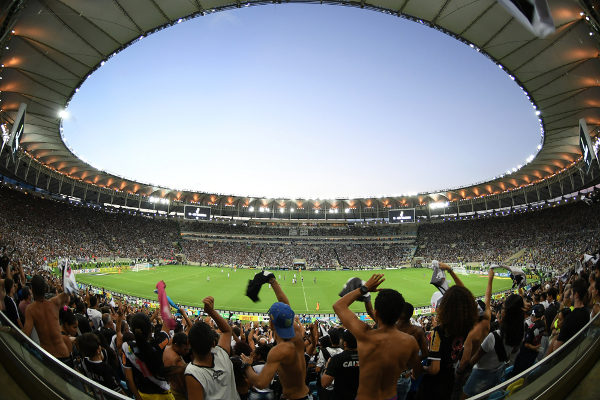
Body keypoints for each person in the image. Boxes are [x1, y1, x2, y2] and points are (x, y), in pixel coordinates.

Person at [333, 274, 421, 400]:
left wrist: (365, 288)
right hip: (391, 396)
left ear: (376, 313)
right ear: (398, 316)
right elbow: (417, 371)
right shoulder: (410, 342)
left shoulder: (365, 335)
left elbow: (339, 306)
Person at [241, 276, 310, 400]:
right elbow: (286, 307)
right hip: (304, 395)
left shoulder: (279, 351)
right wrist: (272, 281)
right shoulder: (297, 334)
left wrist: (246, 366)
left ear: (271, 324)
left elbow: (261, 383)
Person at [417, 284, 477, 400]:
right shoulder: (468, 327)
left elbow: (434, 369)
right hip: (450, 376)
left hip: (434, 385)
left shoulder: (438, 332)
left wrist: (420, 368)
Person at [462, 294, 524, 398]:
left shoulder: (493, 337)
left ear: (506, 313)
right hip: (497, 373)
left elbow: (473, 361)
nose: (501, 310)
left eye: (503, 308)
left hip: (479, 375)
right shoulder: (520, 331)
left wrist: (461, 373)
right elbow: (513, 351)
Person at [185, 296, 239, 400]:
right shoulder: (222, 354)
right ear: (214, 343)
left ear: (188, 343)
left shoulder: (192, 373)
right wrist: (210, 311)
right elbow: (227, 331)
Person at [121, 312, 173, 400]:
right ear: (150, 330)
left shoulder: (127, 347)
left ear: (132, 330)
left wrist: (138, 398)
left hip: (143, 395)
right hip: (164, 394)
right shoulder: (159, 344)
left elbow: (129, 379)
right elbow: (165, 331)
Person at [23, 275, 72, 363]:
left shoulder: (30, 310)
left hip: (49, 357)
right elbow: (68, 296)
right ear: (45, 289)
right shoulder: (54, 302)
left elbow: (25, 335)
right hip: (64, 354)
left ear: (32, 290)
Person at [395, 302, 428, 400]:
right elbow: (425, 353)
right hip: (405, 375)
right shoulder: (418, 330)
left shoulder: (390, 328)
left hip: (389, 375)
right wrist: (412, 363)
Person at [547, 278, 590, 354]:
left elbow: (556, 348)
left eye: (571, 294)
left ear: (576, 295)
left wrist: (556, 337)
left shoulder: (570, 318)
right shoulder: (586, 312)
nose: (570, 297)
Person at [321, 329, 360, 400]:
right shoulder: (367, 359)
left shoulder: (336, 359)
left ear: (345, 343)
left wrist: (327, 366)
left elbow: (324, 383)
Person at [163, 332, 190, 400]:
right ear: (176, 345)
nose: (187, 352)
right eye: (185, 349)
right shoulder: (176, 359)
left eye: (188, 349)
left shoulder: (167, 348)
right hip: (177, 392)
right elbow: (179, 382)